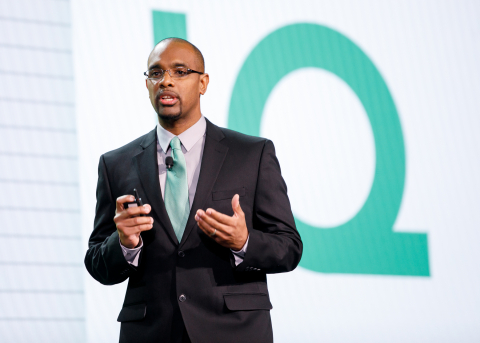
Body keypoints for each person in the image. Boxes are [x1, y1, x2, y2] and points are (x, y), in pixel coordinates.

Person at [84, 37, 302, 343]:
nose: (166, 81)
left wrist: (244, 242)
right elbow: (97, 262)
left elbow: (289, 248)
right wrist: (124, 244)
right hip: (150, 333)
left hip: (234, 332)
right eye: (156, 73)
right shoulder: (115, 164)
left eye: (180, 71)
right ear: (147, 84)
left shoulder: (252, 154)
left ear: (203, 83)